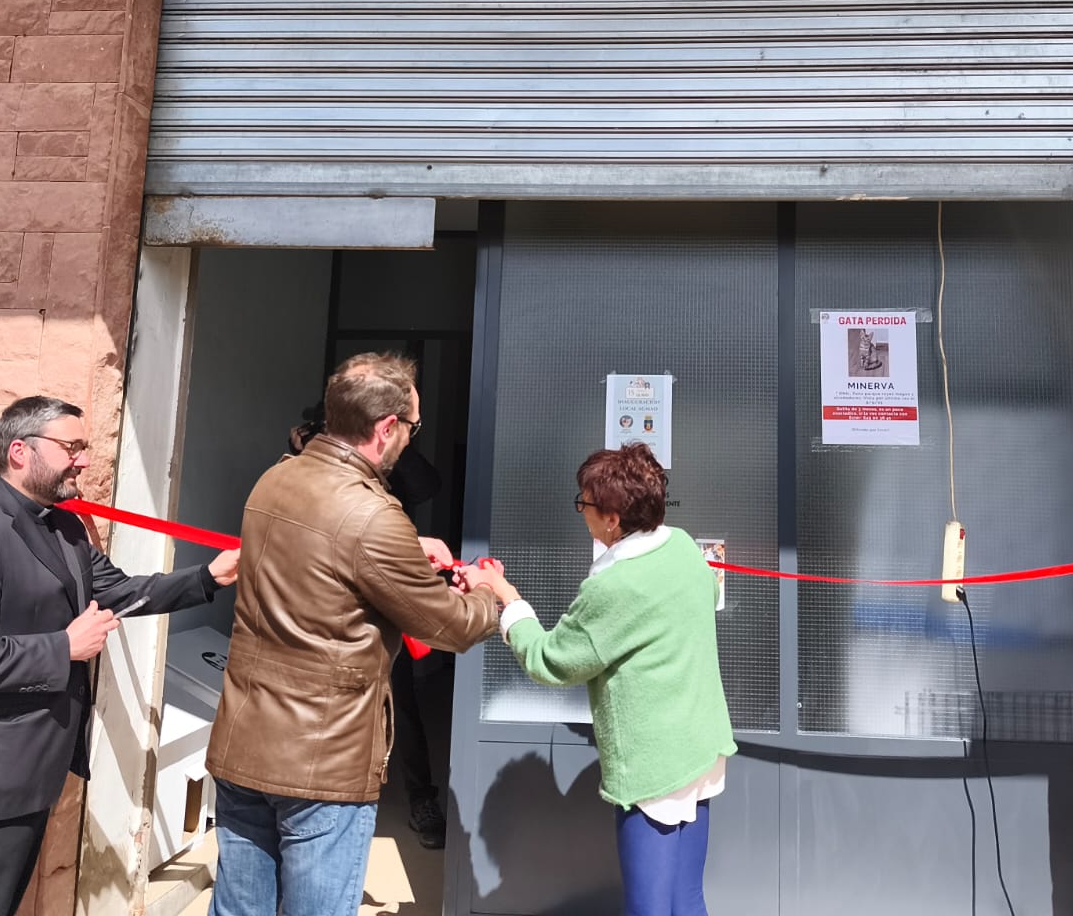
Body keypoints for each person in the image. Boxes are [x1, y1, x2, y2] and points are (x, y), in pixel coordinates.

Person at [0, 396, 240, 916]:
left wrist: (207, 577)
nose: (83, 460)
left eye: (84, 448)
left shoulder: (62, 526)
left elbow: (122, 592)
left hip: (28, 776)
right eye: (71, 447)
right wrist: (63, 647)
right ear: (20, 451)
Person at [206, 352, 500, 916]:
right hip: (322, 760)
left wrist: (403, 552)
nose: (411, 438)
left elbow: (322, 552)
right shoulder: (374, 515)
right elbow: (450, 627)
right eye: (412, 427)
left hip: (243, 739)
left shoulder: (275, 479)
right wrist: (488, 592)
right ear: (387, 427)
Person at [466, 442, 736, 916]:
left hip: (653, 766)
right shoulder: (681, 546)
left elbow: (551, 660)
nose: (581, 512)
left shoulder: (614, 585)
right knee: (687, 899)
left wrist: (505, 597)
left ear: (612, 519)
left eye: (584, 503)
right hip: (701, 745)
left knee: (648, 908)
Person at [287, 406, 450, 850]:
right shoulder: (318, 453)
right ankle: (312, 797)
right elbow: (299, 503)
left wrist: (397, 443)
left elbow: (428, 486)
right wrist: (304, 448)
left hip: (383, 589)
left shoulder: (392, 450)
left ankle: (421, 798)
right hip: (327, 589)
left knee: (400, 700)